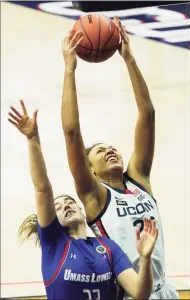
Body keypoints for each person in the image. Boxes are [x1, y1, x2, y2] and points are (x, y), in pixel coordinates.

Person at [61, 17, 179, 299]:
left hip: (166, 290)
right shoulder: (94, 196)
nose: (110, 150)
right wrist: (69, 70)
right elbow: (71, 132)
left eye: (112, 147)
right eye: (100, 151)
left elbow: (147, 115)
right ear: (91, 169)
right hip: (131, 293)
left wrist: (129, 59)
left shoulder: (139, 179)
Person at [9, 100, 158, 300]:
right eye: (58, 207)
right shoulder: (54, 245)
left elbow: (141, 293)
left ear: (82, 211)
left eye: (69, 202)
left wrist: (145, 258)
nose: (65, 206)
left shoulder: (108, 247)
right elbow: (42, 188)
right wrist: (32, 139)